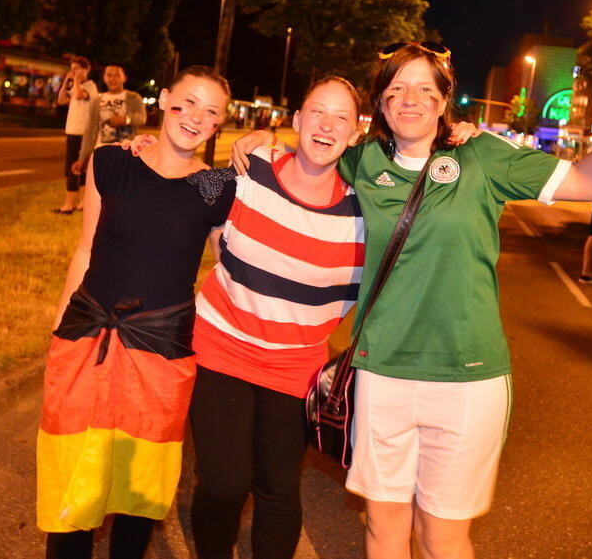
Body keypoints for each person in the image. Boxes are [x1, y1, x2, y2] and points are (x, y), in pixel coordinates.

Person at [234, 41, 592, 559]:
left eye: (426, 88)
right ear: (379, 103)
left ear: (445, 100)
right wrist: (261, 136)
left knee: (442, 536)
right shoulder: (360, 162)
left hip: (469, 380)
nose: (410, 99)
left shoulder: (483, 155)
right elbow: (308, 156)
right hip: (381, 373)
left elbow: (588, 179)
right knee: (383, 528)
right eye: (397, 88)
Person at [37, 66, 235, 559]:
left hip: (160, 350)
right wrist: (60, 330)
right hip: (88, 338)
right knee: (73, 474)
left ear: (218, 125)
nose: (195, 117)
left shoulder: (215, 186)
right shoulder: (111, 163)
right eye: (187, 102)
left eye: (211, 112)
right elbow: (84, 250)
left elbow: (228, 267)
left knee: (139, 486)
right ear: (164, 98)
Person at [188, 76, 364, 559]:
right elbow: (187, 188)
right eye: (317, 112)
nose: (327, 125)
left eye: (341, 118)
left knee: (278, 489)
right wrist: (144, 147)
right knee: (224, 483)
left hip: (295, 367)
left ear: (355, 134)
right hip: (221, 348)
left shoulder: (363, 210)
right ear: (297, 120)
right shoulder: (252, 166)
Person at [72, 64, 146, 176]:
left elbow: (142, 118)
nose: (113, 79)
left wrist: (125, 119)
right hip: (102, 152)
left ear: (124, 78)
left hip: (126, 154)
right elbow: (90, 130)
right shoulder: (97, 101)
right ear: (104, 77)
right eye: (109, 75)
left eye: (117, 75)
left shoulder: (134, 97)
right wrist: (82, 158)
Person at [55, 56, 98, 214]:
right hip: (72, 130)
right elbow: (61, 100)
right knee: (77, 169)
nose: (74, 72)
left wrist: (78, 81)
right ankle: (81, 202)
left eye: (77, 69)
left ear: (86, 70)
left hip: (82, 132)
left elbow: (80, 95)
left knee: (74, 168)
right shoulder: (75, 85)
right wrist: (67, 81)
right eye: (72, 69)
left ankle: (69, 204)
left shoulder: (90, 86)